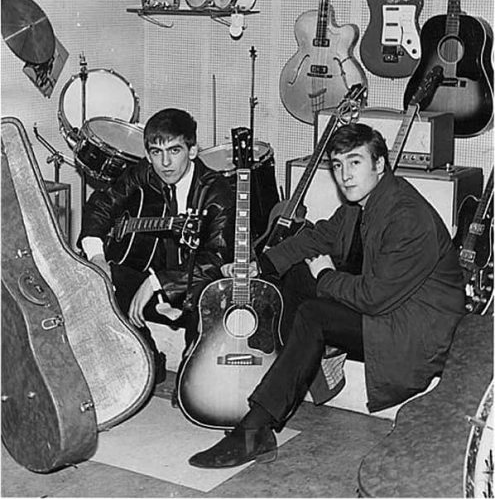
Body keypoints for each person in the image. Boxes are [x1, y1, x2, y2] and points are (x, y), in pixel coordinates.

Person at [188, 122, 466, 469]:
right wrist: (258, 265)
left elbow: (374, 298)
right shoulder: (360, 203)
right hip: (389, 312)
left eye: (355, 162)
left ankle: (254, 429)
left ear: (379, 165)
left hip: (416, 329)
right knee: (295, 274)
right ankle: (282, 380)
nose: (345, 175)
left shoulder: (408, 217)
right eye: (337, 165)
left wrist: (327, 275)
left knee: (315, 314)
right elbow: (317, 238)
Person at [78, 108, 236, 385]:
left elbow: (216, 258)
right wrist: (97, 257)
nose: (165, 163)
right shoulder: (146, 172)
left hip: (195, 286)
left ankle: (193, 362)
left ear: (193, 150)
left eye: (174, 151)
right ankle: (147, 355)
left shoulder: (217, 191)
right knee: (98, 280)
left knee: (192, 386)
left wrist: (156, 282)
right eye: (155, 152)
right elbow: (101, 204)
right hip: (155, 269)